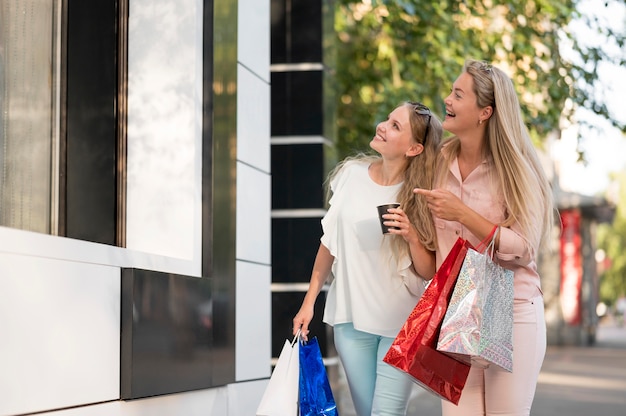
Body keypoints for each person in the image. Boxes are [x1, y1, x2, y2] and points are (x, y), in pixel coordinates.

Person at [414, 59, 554, 416]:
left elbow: (523, 250)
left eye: (458, 94)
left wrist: (463, 214)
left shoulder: (516, 169)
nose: (447, 99)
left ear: (484, 112)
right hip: (461, 305)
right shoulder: (437, 162)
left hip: (512, 306)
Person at [293, 101, 443, 415]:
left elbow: (428, 270)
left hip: (401, 324)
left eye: (395, 126)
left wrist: (412, 235)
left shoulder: (420, 194)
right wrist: (309, 302)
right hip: (351, 321)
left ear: (414, 149)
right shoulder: (350, 175)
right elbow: (328, 244)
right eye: (388, 120)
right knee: (366, 411)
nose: (383, 127)